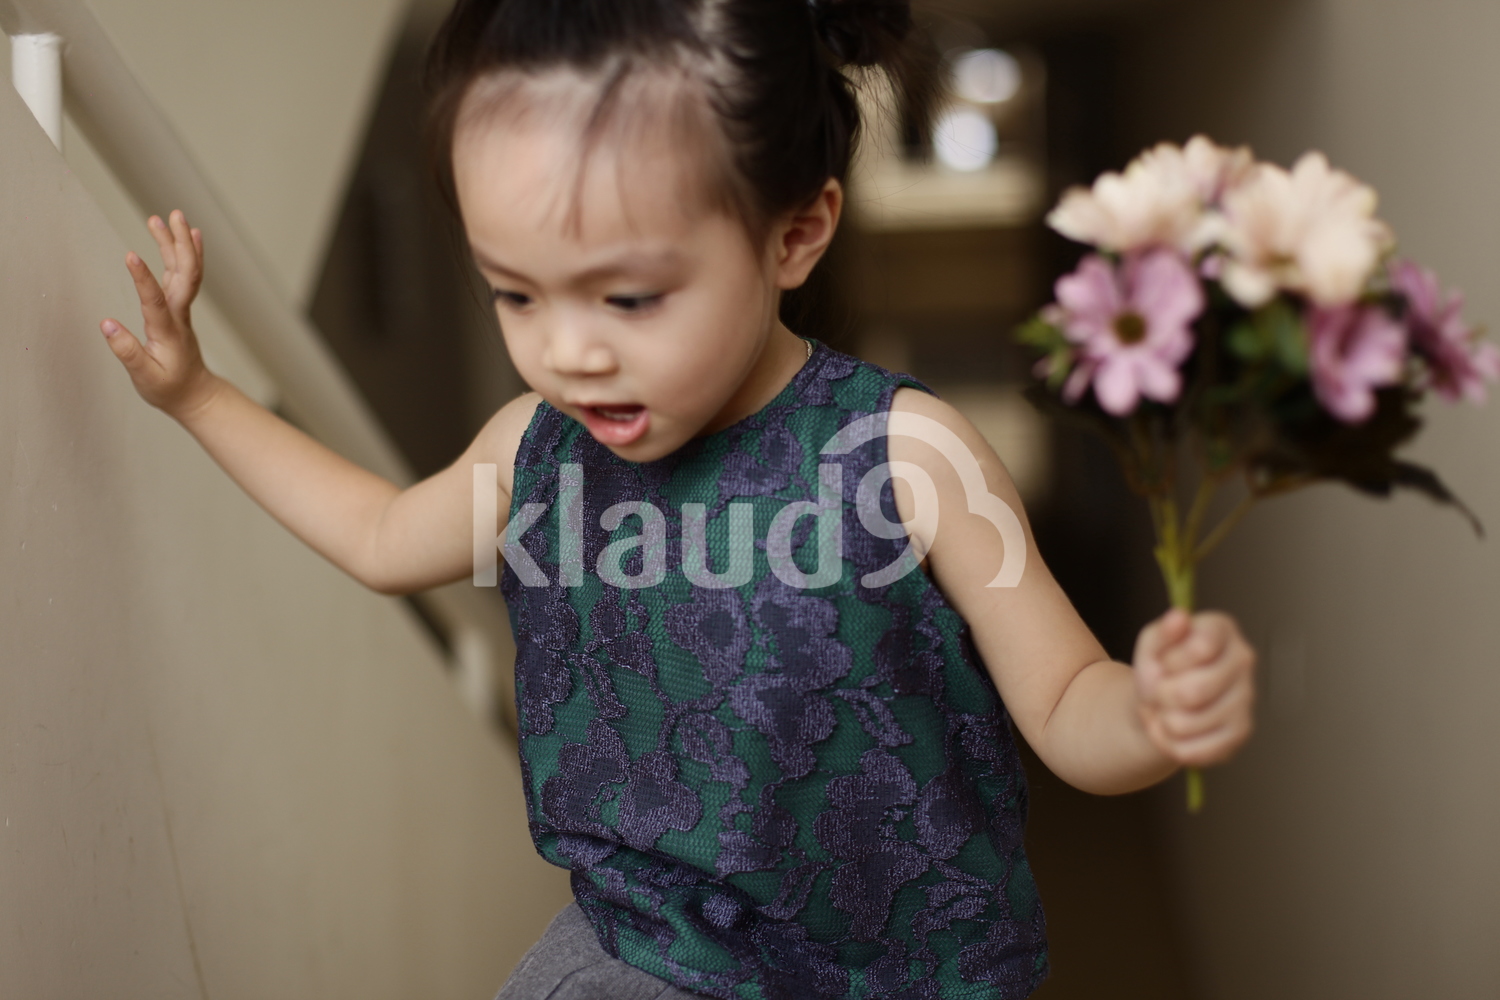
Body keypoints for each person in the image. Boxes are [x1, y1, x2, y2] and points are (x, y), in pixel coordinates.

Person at [97, 0, 1258, 997]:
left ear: (795, 232)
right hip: (649, 957)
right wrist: (199, 396)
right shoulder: (534, 457)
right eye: (515, 293)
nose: (567, 352)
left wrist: (1150, 715)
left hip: (910, 970)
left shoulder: (908, 456)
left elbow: (1063, 702)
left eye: (630, 298)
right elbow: (378, 532)